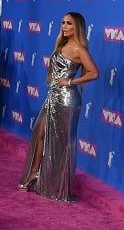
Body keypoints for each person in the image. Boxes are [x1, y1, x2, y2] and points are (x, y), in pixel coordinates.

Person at [18, 12, 99, 202]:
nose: (64, 26)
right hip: (53, 96)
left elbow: (94, 73)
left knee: (63, 143)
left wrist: (71, 81)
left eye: (69, 23)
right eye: (62, 22)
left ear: (76, 27)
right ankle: (35, 173)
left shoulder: (79, 49)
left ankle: (59, 186)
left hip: (67, 99)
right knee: (40, 132)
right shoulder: (61, 45)